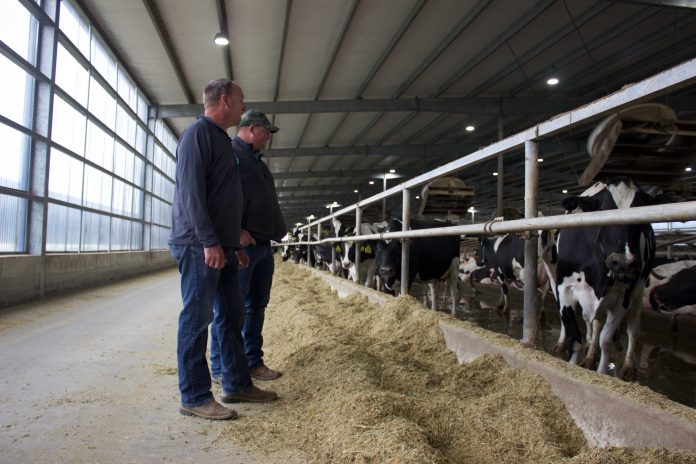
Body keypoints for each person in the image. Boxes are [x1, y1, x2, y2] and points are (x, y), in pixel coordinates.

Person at [169, 80, 277, 421]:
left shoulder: (221, 140)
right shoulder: (197, 135)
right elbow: (191, 193)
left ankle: (236, 384)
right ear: (226, 100)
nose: (244, 106)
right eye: (241, 100)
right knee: (197, 317)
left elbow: (224, 201)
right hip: (198, 244)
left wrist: (231, 245)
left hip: (223, 246)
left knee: (233, 314)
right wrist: (209, 242)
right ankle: (195, 396)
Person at [210, 109, 287, 383]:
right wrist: (236, 231)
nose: (268, 136)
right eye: (267, 131)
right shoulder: (232, 155)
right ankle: (220, 368)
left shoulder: (257, 162)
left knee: (256, 306)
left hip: (263, 246)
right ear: (252, 128)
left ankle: (253, 361)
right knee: (231, 309)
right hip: (243, 245)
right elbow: (221, 197)